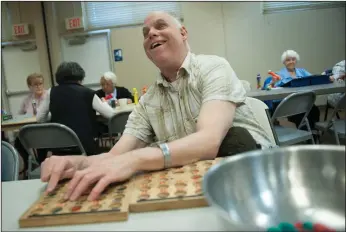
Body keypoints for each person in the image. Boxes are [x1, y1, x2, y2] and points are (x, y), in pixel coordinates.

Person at [40, 11, 274, 202]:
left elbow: (209, 141)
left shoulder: (213, 67)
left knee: (234, 138)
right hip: (195, 189)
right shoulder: (149, 100)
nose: (151, 33)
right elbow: (115, 156)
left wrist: (136, 159)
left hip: (258, 182)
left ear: (183, 33)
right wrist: (77, 163)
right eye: (145, 33)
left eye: (161, 26)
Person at [37, 62, 115, 157]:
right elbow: (111, 114)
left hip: (59, 149)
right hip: (85, 147)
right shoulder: (88, 93)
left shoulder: (51, 92)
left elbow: (40, 118)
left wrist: (53, 116)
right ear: (80, 77)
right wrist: (104, 103)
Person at [269, 50, 320, 130]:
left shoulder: (302, 71)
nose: (291, 62)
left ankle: (313, 132)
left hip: (304, 102)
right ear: (284, 62)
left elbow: (313, 79)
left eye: (293, 59)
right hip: (290, 105)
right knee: (302, 115)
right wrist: (272, 83)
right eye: (288, 60)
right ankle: (307, 136)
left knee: (315, 110)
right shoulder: (279, 74)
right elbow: (270, 88)